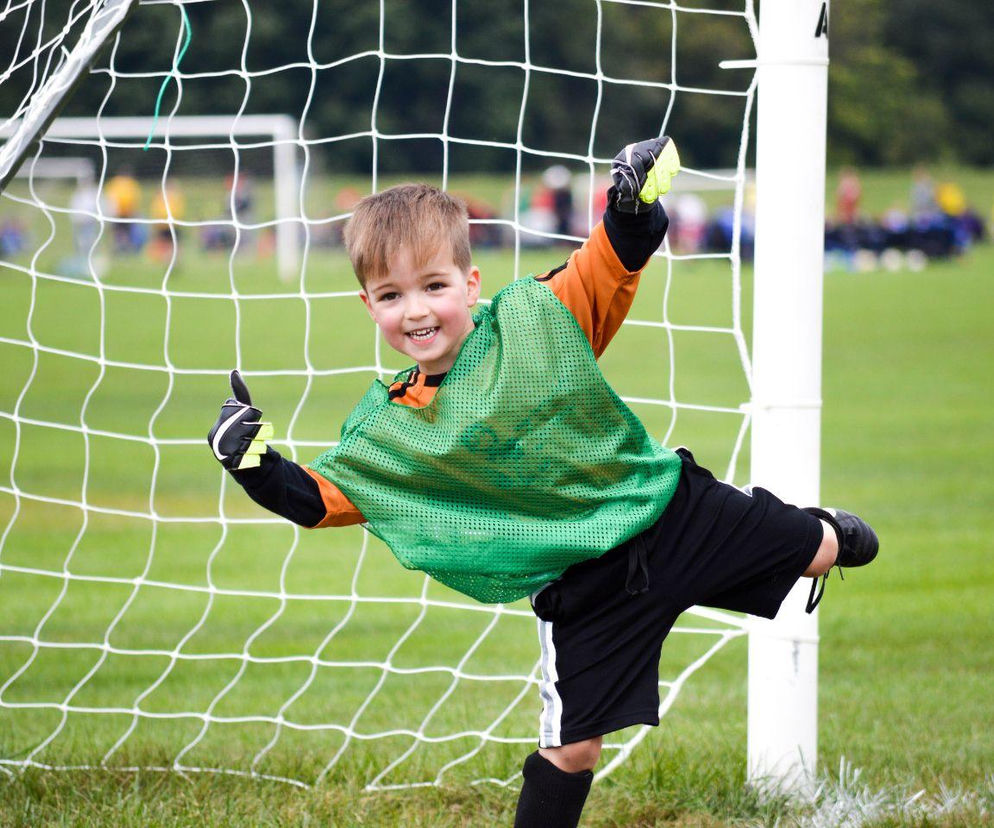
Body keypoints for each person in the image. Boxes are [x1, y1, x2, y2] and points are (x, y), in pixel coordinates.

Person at [207, 137, 878, 828]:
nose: (416, 311)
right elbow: (323, 499)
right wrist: (250, 458)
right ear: (367, 305)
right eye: (391, 295)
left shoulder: (536, 318)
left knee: (836, 549)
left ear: (470, 285)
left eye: (433, 286)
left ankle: (817, 529)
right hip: (585, 587)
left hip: (669, 512)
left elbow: (612, 258)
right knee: (571, 749)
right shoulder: (390, 429)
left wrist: (633, 199)